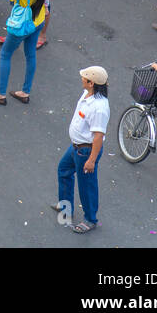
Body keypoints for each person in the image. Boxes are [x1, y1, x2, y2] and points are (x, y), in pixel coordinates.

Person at [57, 66, 109, 233]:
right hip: (76, 147)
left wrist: (91, 160)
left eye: (84, 77)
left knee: (87, 186)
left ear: (91, 83)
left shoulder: (99, 108)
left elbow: (98, 137)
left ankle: (90, 219)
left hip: (85, 152)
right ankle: (66, 208)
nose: (81, 79)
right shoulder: (87, 94)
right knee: (64, 170)